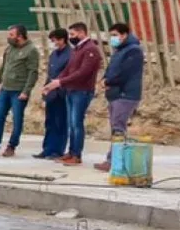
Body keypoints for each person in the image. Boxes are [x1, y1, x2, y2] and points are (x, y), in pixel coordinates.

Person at [42, 21, 103, 166]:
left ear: (82, 33)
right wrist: (54, 83)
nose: (70, 37)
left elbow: (83, 73)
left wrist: (60, 82)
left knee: (76, 123)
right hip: (71, 90)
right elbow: (69, 69)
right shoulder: (78, 49)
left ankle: (76, 155)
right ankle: (71, 152)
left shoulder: (90, 49)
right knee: (71, 123)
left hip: (82, 91)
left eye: (73, 34)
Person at [0, 24, 39, 157]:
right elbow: (4, 66)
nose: (9, 37)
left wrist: (26, 91)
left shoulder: (31, 51)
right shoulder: (9, 49)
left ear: (20, 36)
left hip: (18, 91)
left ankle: (12, 146)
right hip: (5, 89)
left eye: (11, 35)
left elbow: (33, 72)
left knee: (17, 119)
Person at [96, 21, 145, 173]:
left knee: (118, 128)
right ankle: (113, 159)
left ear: (124, 35)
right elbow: (111, 69)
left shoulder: (133, 51)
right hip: (115, 94)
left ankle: (115, 161)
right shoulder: (120, 50)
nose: (113, 39)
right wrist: (104, 79)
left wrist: (109, 81)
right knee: (116, 128)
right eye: (111, 36)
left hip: (125, 94)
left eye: (115, 35)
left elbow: (125, 73)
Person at [35, 29, 72, 160]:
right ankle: (47, 149)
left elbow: (68, 74)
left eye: (55, 40)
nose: (53, 43)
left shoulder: (70, 54)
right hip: (51, 93)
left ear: (62, 39)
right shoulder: (54, 54)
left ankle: (57, 150)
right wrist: (45, 90)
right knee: (50, 122)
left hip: (62, 93)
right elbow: (50, 74)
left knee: (60, 122)